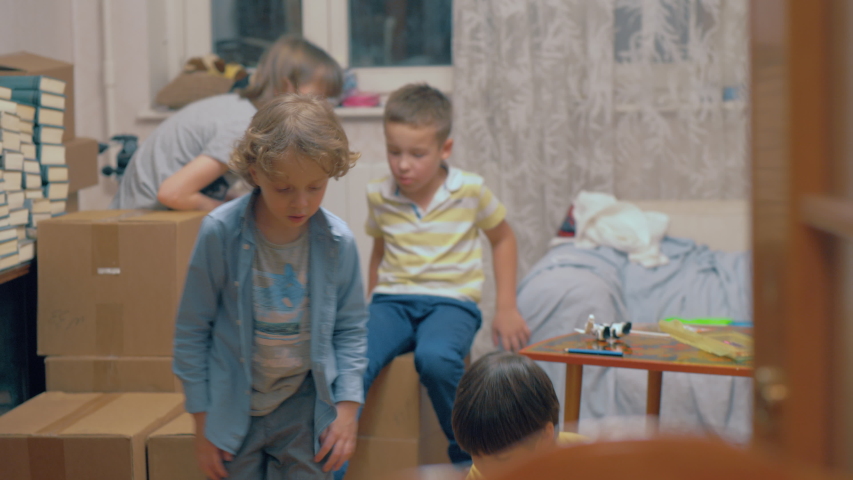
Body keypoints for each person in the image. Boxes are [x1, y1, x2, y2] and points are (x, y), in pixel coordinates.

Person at [172, 94, 367, 480]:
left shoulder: (338, 243)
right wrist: (201, 421)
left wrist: (347, 409)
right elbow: (191, 332)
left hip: (305, 408)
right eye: (284, 188)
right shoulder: (219, 233)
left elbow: (351, 331)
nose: (301, 202)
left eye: (316, 187)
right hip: (232, 409)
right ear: (255, 172)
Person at [362, 83, 530, 465]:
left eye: (417, 154)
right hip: (392, 300)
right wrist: (370, 301)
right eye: (393, 152)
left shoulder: (470, 190)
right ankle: (334, 463)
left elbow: (503, 239)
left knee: (435, 358)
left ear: (445, 149)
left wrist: (506, 306)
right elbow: (379, 250)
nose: (402, 164)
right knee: (354, 358)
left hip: (451, 303)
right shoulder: (378, 194)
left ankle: (468, 457)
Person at [110, 34, 343, 211]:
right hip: (140, 222)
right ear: (285, 87)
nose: (326, 108)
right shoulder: (243, 125)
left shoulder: (240, 109)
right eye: (319, 97)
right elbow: (172, 193)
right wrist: (227, 216)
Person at [451, 352, 588, 480]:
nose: (487, 472)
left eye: (502, 458)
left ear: (545, 435)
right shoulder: (480, 472)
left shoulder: (591, 461)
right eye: (476, 455)